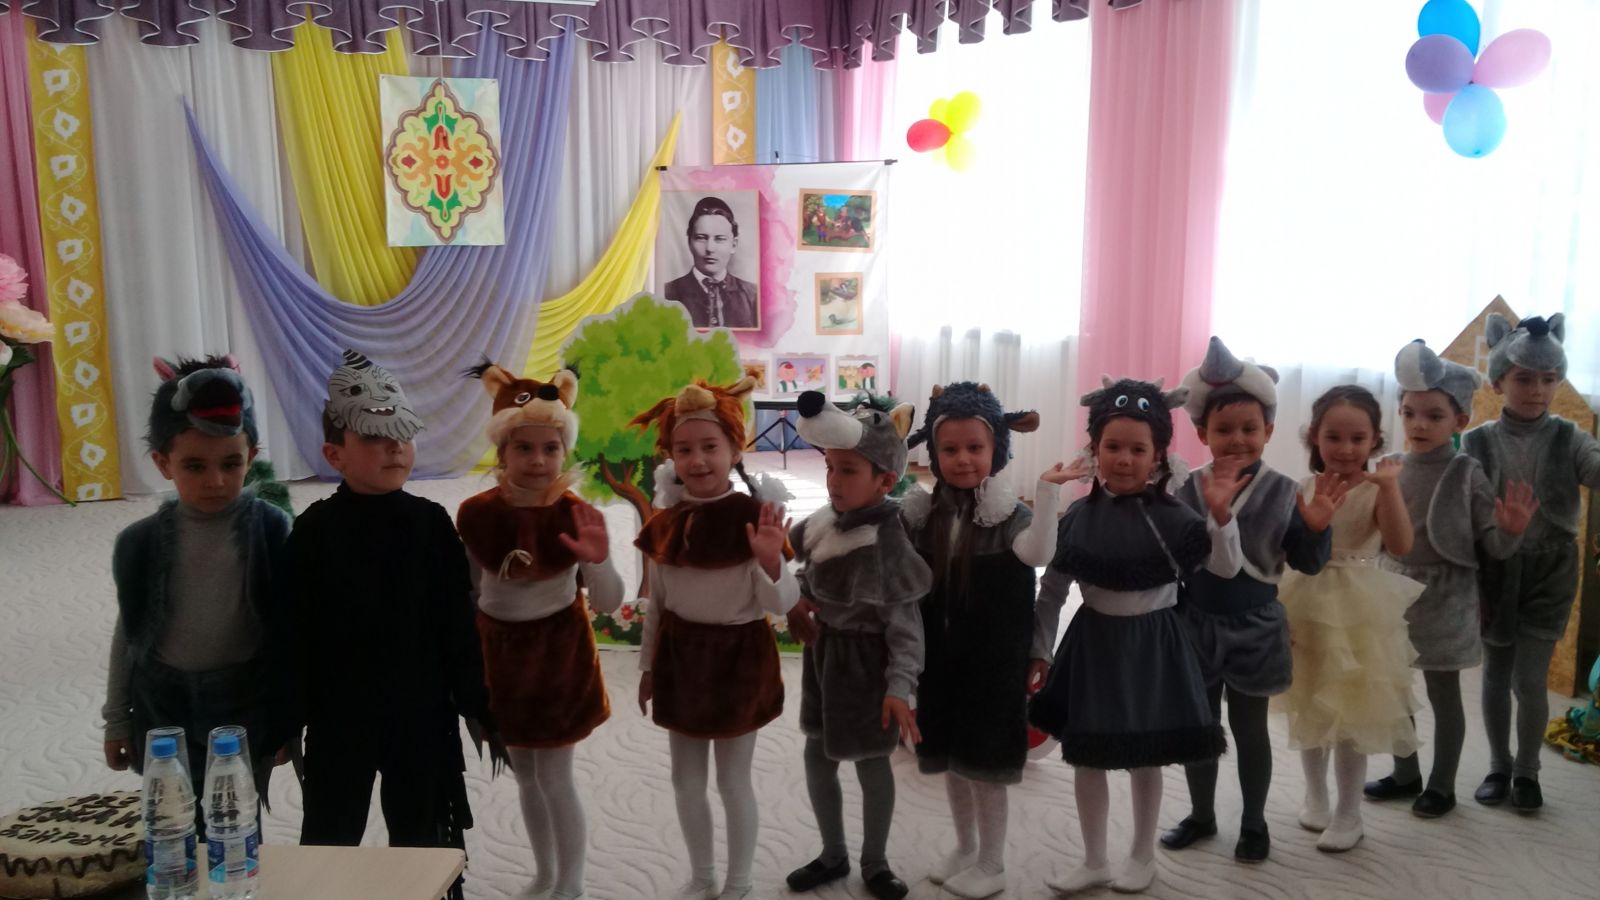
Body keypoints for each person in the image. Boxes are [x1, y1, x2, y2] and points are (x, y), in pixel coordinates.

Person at [288, 350, 507, 900]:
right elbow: (292, 632)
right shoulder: (313, 532)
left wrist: (476, 702)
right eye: (373, 437)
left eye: (403, 434)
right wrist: (284, 718)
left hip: (421, 715)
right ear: (333, 454)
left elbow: (456, 623)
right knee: (329, 835)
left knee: (423, 840)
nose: (394, 447)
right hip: (340, 717)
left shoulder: (431, 524)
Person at [1030, 377, 1239, 895]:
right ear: (1094, 449)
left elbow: (1225, 568)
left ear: (1158, 455)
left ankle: (1142, 855)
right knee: (1086, 753)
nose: (1124, 459)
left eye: (1138, 449)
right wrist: (1040, 650)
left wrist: (1221, 520)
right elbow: (1051, 591)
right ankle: (1094, 858)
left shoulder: (1177, 518)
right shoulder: (1078, 518)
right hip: (1094, 646)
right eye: (1113, 447)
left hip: (1155, 648)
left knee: (1147, 754)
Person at [1162, 337, 1338, 864]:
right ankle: (1202, 814)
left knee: (1249, 729)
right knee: (1198, 726)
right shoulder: (1187, 488)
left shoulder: (1286, 491)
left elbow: (1308, 563)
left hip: (1256, 626)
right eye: (1224, 430)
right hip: (1195, 622)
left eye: (1249, 428)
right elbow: (1173, 560)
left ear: (1269, 431)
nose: (1237, 439)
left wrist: (1317, 529)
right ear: (1202, 434)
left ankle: (1254, 822)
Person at [101, 355, 293, 834]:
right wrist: (117, 720)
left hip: (246, 702)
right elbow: (130, 633)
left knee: (238, 827)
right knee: (173, 826)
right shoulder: (140, 543)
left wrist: (288, 719)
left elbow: (292, 629)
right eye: (194, 465)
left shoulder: (272, 530)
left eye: (231, 463)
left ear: (252, 455)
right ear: (162, 463)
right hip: (162, 707)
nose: (216, 481)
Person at [456, 362, 623, 900]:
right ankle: (545, 873)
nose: (537, 460)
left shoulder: (576, 515)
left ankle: (570, 882)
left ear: (564, 452)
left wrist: (598, 560)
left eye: (550, 449)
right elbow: (472, 590)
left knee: (554, 775)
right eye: (523, 448)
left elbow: (609, 600)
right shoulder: (477, 515)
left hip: (558, 659)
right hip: (500, 658)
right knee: (524, 773)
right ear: (501, 452)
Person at [631, 376, 798, 900]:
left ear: (734, 449)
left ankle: (739, 880)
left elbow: (781, 605)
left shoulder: (755, 519)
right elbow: (658, 605)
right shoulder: (665, 524)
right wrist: (647, 668)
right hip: (680, 660)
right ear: (670, 456)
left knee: (732, 781)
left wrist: (771, 562)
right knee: (685, 781)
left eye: (710, 446)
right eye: (684, 449)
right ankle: (702, 875)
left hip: (738, 663)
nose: (698, 460)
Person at [899, 381, 1065, 899]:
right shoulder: (924, 515)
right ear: (934, 452)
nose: (963, 459)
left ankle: (992, 862)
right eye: (950, 449)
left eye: (975, 447)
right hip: (940, 660)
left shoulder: (1009, 516)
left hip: (993, 663)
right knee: (952, 758)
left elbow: (1039, 554)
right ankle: (965, 846)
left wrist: (1047, 493)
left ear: (998, 449)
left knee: (987, 765)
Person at [1363, 340, 1534, 820]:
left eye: (1434, 416)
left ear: (1459, 421)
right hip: (1396, 591)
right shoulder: (1392, 467)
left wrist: (1511, 530)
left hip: (1447, 596)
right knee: (1396, 688)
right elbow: (1376, 530)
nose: (1419, 424)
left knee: (1443, 693)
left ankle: (1441, 785)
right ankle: (1406, 772)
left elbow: (1493, 547)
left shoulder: (1466, 472)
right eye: (1409, 413)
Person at [782, 391, 929, 900]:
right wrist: (793, 598)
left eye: (848, 471)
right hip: (823, 659)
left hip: (867, 670)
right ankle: (832, 853)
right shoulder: (824, 521)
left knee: (871, 762)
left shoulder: (889, 543)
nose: (833, 481)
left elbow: (906, 628)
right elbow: (807, 577)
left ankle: (875, 862)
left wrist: (900, 687)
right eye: (830, 468)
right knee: (817, 754)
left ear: (885, 480)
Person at [1274, 385, 1424, 852]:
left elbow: (1401, 545)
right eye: (1333, 437)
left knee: (1352, 713)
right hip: (1305, 599)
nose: (1345, 448)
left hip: (1359, 607)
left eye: (1358, 439)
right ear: (1314, 437)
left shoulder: (1378, 489)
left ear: (1375, 440)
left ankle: (1349, 812)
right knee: (1310, 701)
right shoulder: (1302, 488)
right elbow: (1288, 549)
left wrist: (1391, 488)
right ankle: (1316, 797)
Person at [1462, 314, 1600, 813]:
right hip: (1496, 567)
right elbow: (1462, 505)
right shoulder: (1477, 441)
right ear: (1498, 382)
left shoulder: (1570, 437)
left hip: (1551, 570)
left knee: (1530, 677)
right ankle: (1498, 766)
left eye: (1548, 379)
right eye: (1524, 378)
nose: (1538, 390)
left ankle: (1527, 771)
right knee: (1496, 674)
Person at [664, 196, 759, 329]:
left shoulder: (753, 296)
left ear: (733, 244)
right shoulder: (667, 294)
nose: (710, 248)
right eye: (701, 238)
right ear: (689, 242)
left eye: (719, 239)